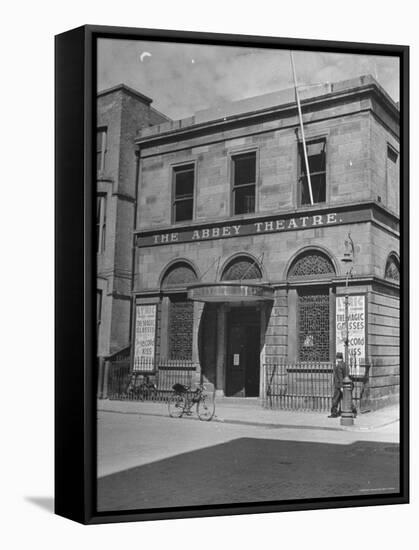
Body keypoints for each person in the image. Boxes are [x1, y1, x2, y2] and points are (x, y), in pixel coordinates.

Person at [328, 352, 357, 418]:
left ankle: (334, 413)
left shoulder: (339, 366)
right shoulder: (345, 365)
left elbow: (340, 377)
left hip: (339, 386)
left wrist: (341, 387)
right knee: (347, 398)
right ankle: (354, 411)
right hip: (346, 385)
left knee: (335, 399)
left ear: (337, 358)